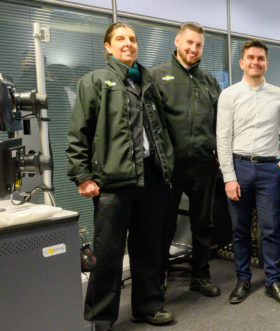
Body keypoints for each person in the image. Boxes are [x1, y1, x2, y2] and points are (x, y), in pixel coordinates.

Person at [66, 22, 175, 330]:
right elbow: (78, 133)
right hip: (113, 182)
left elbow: (161, 130)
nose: (128, 43)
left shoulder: (148, 83)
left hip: (150, 178)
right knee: (108, 254)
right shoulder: (95, 82)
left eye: (133, 39)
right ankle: (101, 317)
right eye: (121, 39)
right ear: (108, 47)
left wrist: (166, 166)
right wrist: (82, 176)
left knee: (148, 250)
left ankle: (148, 306)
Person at [217, 39, 280, 305]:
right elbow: (222, 138)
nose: (255, 62)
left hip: (267, 170)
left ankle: (273, 281)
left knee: (270, 229)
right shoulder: (229, 95)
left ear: (266, 63)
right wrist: (229, 177)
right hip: (238, 168)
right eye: (250, 57)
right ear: (242, 62)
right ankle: (243, 278)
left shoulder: (278, 95)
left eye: (260, 58)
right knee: (239, 230)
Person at [151, 22, 221, 296]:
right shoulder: (157, 76)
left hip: (204, 163)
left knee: (203, 223)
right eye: (189, 43)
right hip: (170, 166)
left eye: (199, 45)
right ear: (177, 42)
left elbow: (220, 122)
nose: (193, 49)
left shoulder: (210, 81)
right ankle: (158, 277)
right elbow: (152, 123)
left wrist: (217, 151)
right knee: (164, 224)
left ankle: (200, 275)